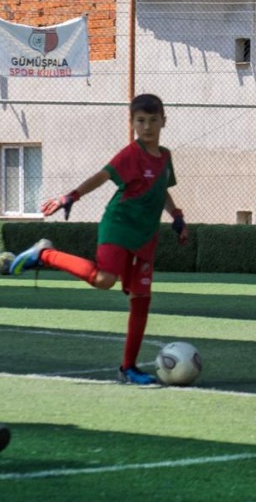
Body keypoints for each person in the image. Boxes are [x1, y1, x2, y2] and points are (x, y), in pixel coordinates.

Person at [4, 94, 189, 385]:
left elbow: (161, 187)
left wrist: (176, 216)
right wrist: (71, 196)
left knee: (142, 300)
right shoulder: (130, 154)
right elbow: (102, 177)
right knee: (105, 279)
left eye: (153, 120)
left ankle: (128, 368)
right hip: (117, 225)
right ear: (132, 124)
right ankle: (45, 255)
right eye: (141, 120)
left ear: (164, 121)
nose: (148, 126)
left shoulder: (165, 157)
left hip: (144, 237)